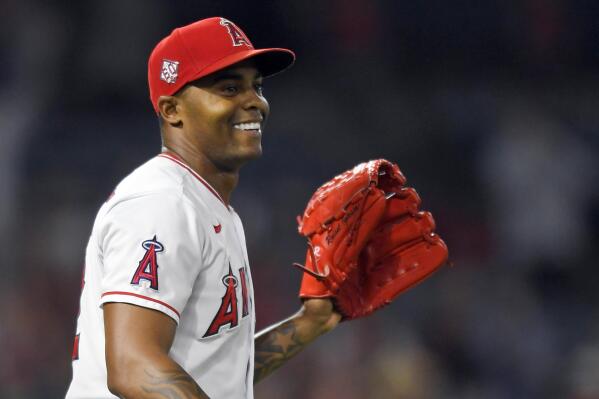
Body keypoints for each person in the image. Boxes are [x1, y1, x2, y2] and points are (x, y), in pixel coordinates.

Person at [66, 17, 341, 399]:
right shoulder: (162, 202)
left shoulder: (208, 207)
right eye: (229, 88)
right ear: (172, 109)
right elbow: (134, 365)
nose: (255, 102)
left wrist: (309, 324)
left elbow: (218, 374)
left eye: (256, 86)